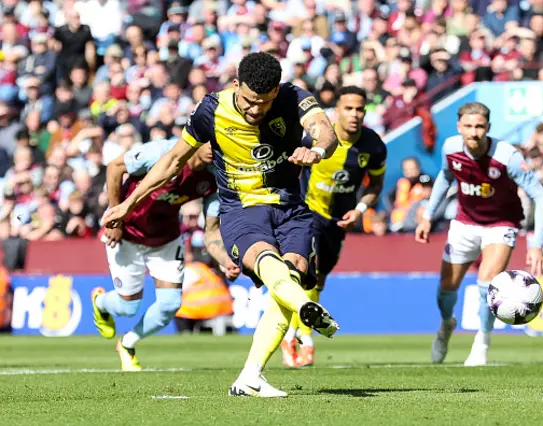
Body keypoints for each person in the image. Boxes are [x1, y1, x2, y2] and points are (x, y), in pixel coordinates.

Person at [101, 52, 340, 397]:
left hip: (290, 207)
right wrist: (127, 204)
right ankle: (304, 305)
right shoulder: (211, 109)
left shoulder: (295, 97)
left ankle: (250, 377)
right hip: (243, 207)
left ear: (277, 91)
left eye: (265, 102)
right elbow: (171, 162)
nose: (256, 110)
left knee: (295, 270)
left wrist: (317, 151)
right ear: (235, 86)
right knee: (269, 261)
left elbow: (326, 133)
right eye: (249, 101)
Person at [415, 102, 543, 366]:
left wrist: (537, 244)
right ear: (459, 127)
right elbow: (444, 177)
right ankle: (446, 325)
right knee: (446, 288)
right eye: (468, 126)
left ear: (488, 127)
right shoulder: (451, 148)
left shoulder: (507, 156)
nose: (474, 132)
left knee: (488, 283)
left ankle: (481, 343)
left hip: (502, 223)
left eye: (479, 126)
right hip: (465, 223)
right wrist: (429, 215)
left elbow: (540, 196)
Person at [92, 139, 239, 371]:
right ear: (199, 138)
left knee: (170, 305)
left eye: (221, 145)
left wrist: (225, 260)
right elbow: (114, 167)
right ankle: (100, 303)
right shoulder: (162, 152)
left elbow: (211, 233)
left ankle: (127, 345)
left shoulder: (215, 178)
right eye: (212, 143)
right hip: (127, 233)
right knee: (128, 307)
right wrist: (115, 216)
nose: (215, 149)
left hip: (166, 239)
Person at [281, 86, 387, 367]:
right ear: (337, 110)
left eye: (360, 109)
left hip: (339, 220)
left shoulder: (373, 146)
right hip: (308, 211)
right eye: (348, 108)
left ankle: (291, 331)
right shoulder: (316, 137)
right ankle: (305, 337)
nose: (354, 114)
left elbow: (375, 184)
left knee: (319, 279)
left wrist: (360, 210)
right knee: (307, 273)